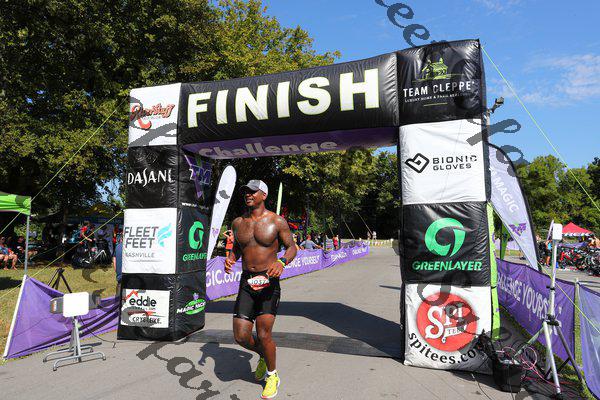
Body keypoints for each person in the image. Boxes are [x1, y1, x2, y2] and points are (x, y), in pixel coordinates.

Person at [224, 179, 297, 399]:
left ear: (263, 195)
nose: (248, 195)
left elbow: (292, 247)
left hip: (268, 282)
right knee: (241, 336)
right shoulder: (238, 222)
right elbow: (239, 248)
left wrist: (282, 262)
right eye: (246, 192)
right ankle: (264, 354)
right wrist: (231, 258)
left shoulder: (277, 221)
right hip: (247, 282)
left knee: (264, 334)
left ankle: (272, 375)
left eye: (253, 192)